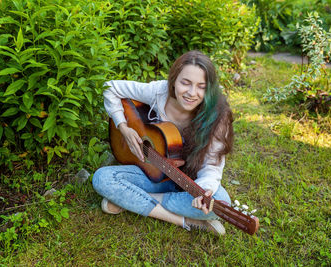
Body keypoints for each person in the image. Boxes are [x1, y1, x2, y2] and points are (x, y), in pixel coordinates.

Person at [92, 50, 234, 235]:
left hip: (187, 180)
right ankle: (185, 221)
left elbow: (212, 167)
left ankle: (132, 201)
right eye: (185, 83)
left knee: (221, 202)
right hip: (152, 173)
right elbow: (110, 88)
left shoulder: (217, 116)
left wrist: (205, 190)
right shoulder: (159, 92)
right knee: (102, 178)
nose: (192, 93)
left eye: (201, 86)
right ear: (174, 80)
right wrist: (124, 128)